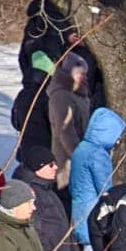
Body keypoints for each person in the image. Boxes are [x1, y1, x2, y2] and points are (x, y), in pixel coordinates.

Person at [11, 143, 79, 251]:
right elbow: (36, 231)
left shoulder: (46, 189)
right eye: (51, 165)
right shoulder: (31, 195)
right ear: (38, 168)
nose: (56, 167)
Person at [68, 108, 126, 246]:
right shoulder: (98, 154)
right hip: (93, 209)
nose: (118, 141)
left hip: (80, 206)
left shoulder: (82, 148)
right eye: (116, 136)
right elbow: (105, 188)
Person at [48, 54, 92, 187]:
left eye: (84, 73)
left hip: (81, 157)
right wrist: (80, 157)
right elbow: (65, 131)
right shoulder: (60, 96)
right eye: (79, 73)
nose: (83, 77)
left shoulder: (81, 95)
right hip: (68, 162)